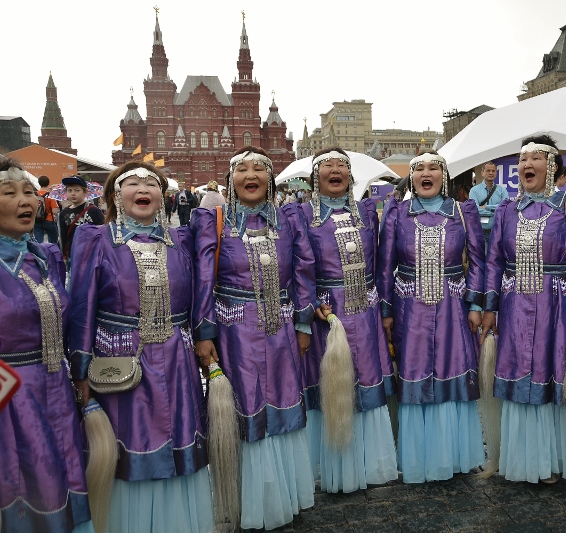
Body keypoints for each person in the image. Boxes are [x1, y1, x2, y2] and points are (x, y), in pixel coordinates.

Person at [69, 161, 213, 533]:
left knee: (180, 439)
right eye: (132, 182)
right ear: (116, 194)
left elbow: (202, 293)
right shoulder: (96, 240)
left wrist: (203, 337)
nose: (142, 187)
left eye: (152, 182)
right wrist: (80, 369)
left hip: (178, 362)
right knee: (127, 445)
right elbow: (82, 308)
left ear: (163, 196)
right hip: (120, 363)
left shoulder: (181, 241)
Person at [192, 146, 315, 529]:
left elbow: (303, 269)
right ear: (231, 179)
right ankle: (246, 500)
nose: (251, 175)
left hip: (280, 329)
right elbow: (203, 280)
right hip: (234, 332)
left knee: (282, 401)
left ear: (270, 178)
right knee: (244, 406)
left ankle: (283, 495)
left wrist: (304, 322)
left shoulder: (289, 218)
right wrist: (204, 332)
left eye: (259, 169)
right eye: (242, 169)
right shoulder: (212, 221)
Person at [481, 135, 566, 484]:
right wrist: (489, 306)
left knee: (552, 373)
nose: (527, 164)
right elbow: (493, 262)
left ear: (553, 165)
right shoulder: (505, 210)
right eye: (522, 159)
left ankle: (555, 460)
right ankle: (521, 458)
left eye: (536, 158)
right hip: (515, 306)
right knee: (518, 375)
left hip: (557, 305)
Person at [377, 150, 486, 483]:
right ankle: (418, 458)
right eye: (419, 168)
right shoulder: (397, 214)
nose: (426, 173)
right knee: (414, 375)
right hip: (410, 310)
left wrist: (477, 305)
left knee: (453, 372)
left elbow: (480, 263)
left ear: (445, 176)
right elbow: (384, 266)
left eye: (433, 168)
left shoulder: (464, 212)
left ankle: (453, 456)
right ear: (411, 178)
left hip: (454, 309)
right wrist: (386, 310)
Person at [0, 158, 92, 532]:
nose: (26, 201)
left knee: (63, 476)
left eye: (29, 193)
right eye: (10, 193)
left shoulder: (47, 257)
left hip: (56, 388)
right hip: (10, 397)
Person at [299, 147, 398, 493]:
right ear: (315, 177)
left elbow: (383, 263)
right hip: (326, 315)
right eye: (327, 164)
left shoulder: (368, 212)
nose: (335, 169)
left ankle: (371, 465)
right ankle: (329, 467)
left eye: (342, 164)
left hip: (366, 312)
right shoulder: (300, 215)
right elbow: (298, 268)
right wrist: (311, 305)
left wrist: (385, 309)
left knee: (368, 381)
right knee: (331, 385)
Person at [57, 175, 103, 266]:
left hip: (91, 255)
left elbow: (103, 232)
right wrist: (63, 255)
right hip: (72, 254)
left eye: (77, 190)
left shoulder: (93, 210)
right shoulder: (63, 213)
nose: (73, 193)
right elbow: (62, 236)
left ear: (84, 192)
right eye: (70, 190)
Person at [469, 161, 509, 251]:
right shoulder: (474, 191)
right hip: (480, 233)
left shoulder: (502, 190)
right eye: (488, 170)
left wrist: (487, 207)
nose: (491, 173)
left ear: (496, 173)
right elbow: (475, 209)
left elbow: (505, 207)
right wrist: (495, 213)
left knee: (496, 260)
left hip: (498, 232)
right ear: (482, 173)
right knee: (482, 259)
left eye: (493, 171)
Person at [34, 175, 60, 244]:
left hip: (36, 221)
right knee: (54, 241)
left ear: (39, 183)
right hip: (49, 220)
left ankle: (40, 254)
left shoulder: (34, 195)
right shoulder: (50, 195)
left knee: (38, 243)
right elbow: (54, 211)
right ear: (48, 183)